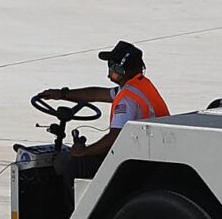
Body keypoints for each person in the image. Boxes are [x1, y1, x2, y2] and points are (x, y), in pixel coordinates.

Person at [38, 40, 169, 173]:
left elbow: (114, 138)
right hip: (149, 151)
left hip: (135, 160)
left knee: (69, 164)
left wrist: (83, 151)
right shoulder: (140, 86)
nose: (109, 71)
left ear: (120, 69)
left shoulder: (127, 99)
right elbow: (96, 94)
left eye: (112, 67)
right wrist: (63, 94)